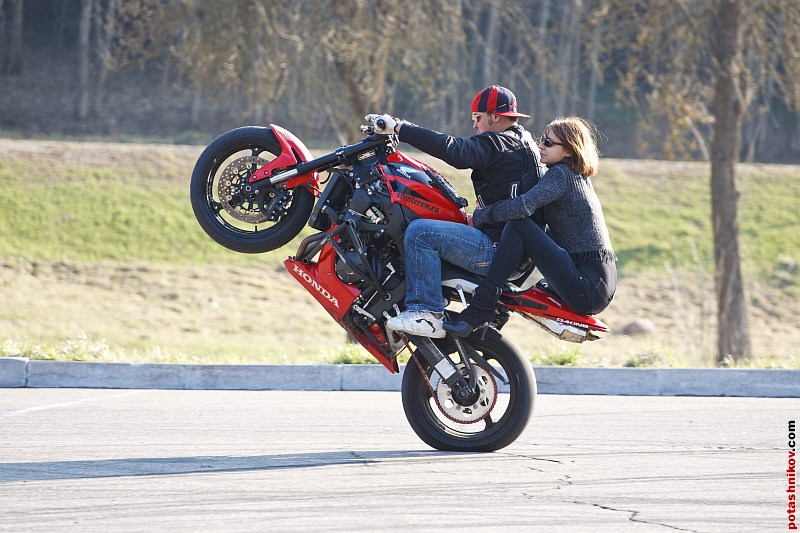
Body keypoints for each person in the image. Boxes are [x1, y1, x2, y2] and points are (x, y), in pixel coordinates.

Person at [366, 85, 546, 338]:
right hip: (513, 250)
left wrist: (400, 128)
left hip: (498, 251)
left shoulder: (499, 142)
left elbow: (457, 152)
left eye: (477, 118)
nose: (475, 125)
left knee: (420, 233)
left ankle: (427, 312)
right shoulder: (522, 140)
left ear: (495, 117)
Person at [443, 116, 617, 337]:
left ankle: (483, 305)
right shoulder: (576, 177)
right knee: (531, 228)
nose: (540, 146)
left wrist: (481, 216)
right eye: (541, 139)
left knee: (521, 225)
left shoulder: (560, 175)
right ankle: (498, 305)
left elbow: (523, 206)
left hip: (588, 288)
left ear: (569, 151)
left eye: (549, 143)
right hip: (598, 285)